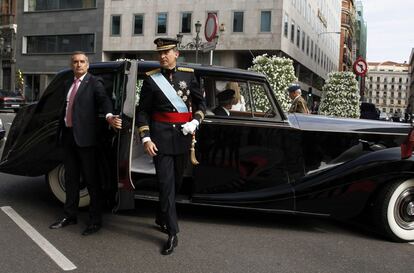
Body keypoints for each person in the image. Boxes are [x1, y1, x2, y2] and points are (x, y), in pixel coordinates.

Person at [136, 37, 206, 255]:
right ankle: (172, 232)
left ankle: (161, 215)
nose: (163, 56)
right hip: (161, 140)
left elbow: (201, 103)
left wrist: (195, 120)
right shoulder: (151, 80)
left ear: (177, 54)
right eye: (160, 53)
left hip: (183, 138)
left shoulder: (189, 75)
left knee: (174, 184)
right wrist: (146, 138)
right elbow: (143, 111)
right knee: (166, 184)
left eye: (167, 52)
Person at [49, 51, 122, 236]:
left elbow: (104, 101)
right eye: (75, 62)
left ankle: (95, 221)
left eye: (82, 62)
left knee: (91, 181)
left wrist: (109, 116)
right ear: (71, 64)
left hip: (86, 140)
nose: (78, 65)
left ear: (87, 65)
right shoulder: (68, 83)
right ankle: (69, 216)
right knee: (71, 180)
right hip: (68, 137)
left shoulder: (94, 82)